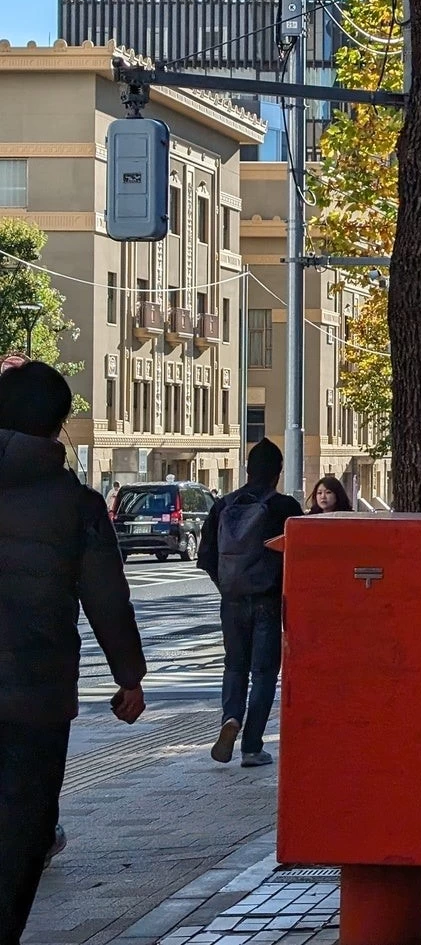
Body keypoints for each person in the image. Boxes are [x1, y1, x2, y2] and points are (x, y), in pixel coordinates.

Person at [0, 361, 146, 944]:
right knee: (25, 827)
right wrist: (129, 676)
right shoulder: (76, 504)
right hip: (37, 692)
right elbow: (108, 596)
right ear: (58, 426)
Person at [198, 439, 301, 767]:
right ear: (278, 472)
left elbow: (207, 557)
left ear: (247, 470)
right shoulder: (285, 508)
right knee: (265, 672)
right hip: (269, 600)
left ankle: (230, 718)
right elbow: (301, 559)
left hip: (232, 601)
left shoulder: (223, 505)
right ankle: (252, 746)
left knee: (234, 665)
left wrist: (228, 587)